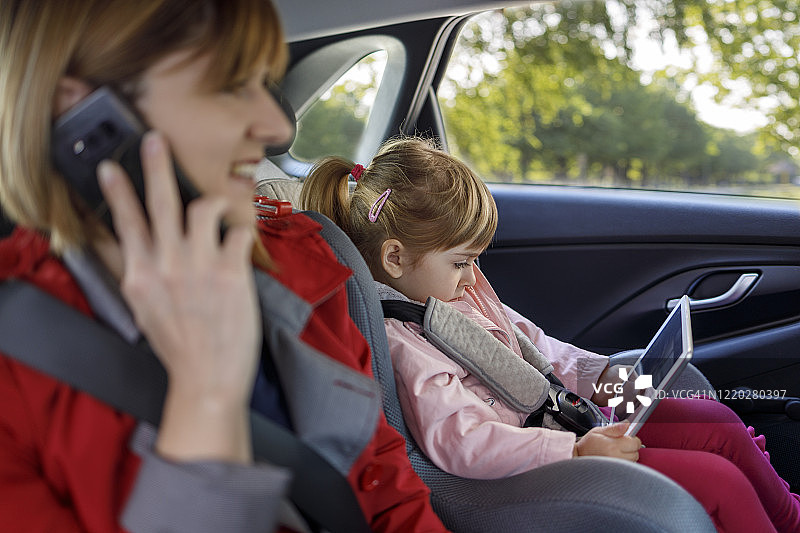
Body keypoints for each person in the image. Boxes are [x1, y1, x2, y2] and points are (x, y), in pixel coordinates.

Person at [0, 2, 448, 532]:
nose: (279, 127)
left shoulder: (301, 266)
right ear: (85, 116)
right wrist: (205, 400)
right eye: (232, 85)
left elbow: (387, 493)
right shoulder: (15, 374)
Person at [299, 136, 800, 533]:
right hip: (542, 455)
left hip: (567, 415)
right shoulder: (403, 341)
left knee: (715, 419)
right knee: (717, 481)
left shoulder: (458, 295)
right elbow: (462, 441)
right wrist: (576, 452)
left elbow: (534, 346)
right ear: (394, 258)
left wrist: (601, 373)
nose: (473, 277)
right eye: (461, 262)